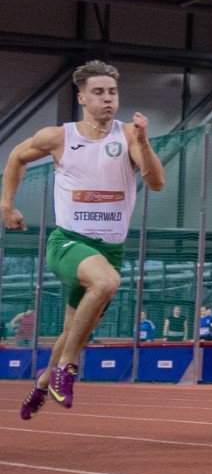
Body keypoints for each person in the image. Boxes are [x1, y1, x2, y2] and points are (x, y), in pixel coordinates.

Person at [1, 60, 165, 420]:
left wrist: (144, 142)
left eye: (112, 92)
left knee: (73, 328)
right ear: (82, 98)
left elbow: (155, 183)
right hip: (68, 242)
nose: (108, 99)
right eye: (99, 92)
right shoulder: (60, 137)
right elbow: (16, 157)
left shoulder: (127, 137)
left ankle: (42, 384)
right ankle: (68, 367)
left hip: (110, 249)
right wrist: (6, 204)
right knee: (106, 282)